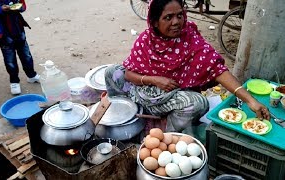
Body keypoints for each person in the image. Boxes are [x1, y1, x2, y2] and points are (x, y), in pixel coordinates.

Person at [105, 0, 270, 132]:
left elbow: (217, 69)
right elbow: (128, 73)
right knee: (112, 72)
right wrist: (154, 80)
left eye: (179, 15)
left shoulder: (190, 38)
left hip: (172, 98)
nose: (176, 22)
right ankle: (126, 117)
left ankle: (165, 136)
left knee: (198, 103)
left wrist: (250, 101)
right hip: (141, 92)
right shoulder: (145, 40)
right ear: (155, 22)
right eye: (168, 17)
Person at [0, 0, 39, 95]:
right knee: (10, 60)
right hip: (4, 34)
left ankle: (31, 75)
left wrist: (19, 7)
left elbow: (23, 6)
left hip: (18, 29)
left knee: (26, 55)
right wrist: (0, 9)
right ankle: (14, 81)